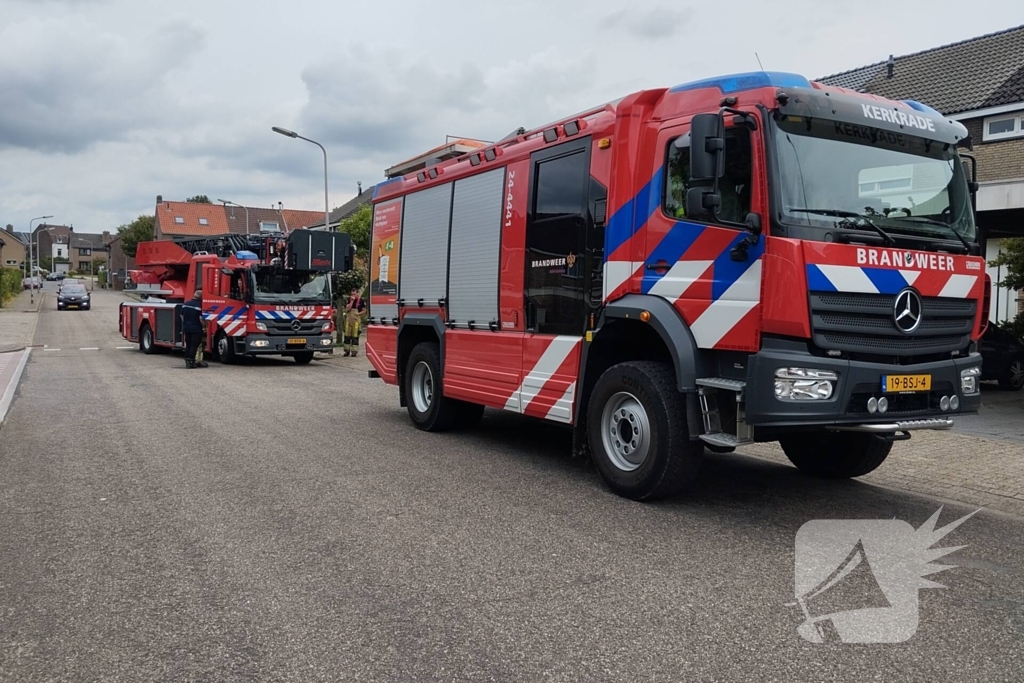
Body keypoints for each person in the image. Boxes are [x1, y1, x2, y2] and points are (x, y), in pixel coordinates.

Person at [180, 289, 206, 369]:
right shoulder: (200, 306)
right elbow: (201, 319)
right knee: (194, 345)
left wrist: (186, 322)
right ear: (201, 297)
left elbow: (181, 315)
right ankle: (191, 361)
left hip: (186, 328)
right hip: (196, 328)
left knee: (188, 344)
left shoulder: (185, 304)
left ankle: (187, 360)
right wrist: (204, 327)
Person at [342, 288, 366, 357]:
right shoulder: (349, 300)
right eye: (352, 294)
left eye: (354, 294)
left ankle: (354, 351)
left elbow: (364, 311)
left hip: (356, 321)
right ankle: (346, 351)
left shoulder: (361, 300)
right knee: (347, 336)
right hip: (348, 320)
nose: (353, 295)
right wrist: (352, 301)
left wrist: (358, 314)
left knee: (355, 336)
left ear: (357, 293)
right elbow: (347, 309)